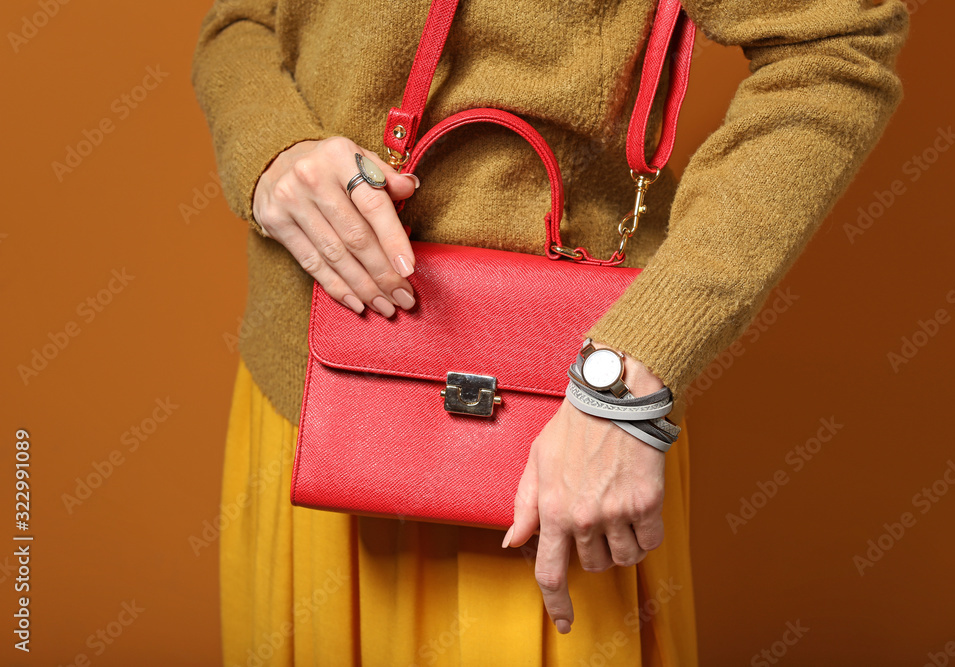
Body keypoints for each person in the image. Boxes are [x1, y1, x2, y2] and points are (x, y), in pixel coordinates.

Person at [190, 0, 908, 663]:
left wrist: (630, 376)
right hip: (309, 404)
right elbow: (242, 19)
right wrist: (270, 151)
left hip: (558, 451)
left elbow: (833, 47)